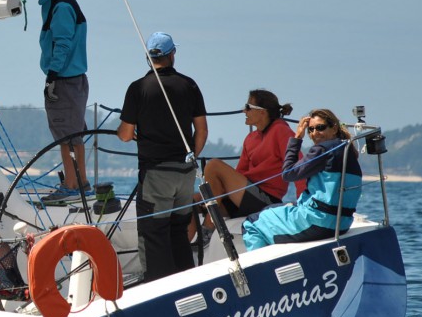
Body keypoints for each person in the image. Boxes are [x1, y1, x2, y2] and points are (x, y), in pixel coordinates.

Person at [117, 32, 207, 282]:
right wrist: (190, 158)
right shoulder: (189, 85)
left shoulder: (138, 88)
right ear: (172, 55)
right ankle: (187, 285)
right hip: (185, 173)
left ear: (148, 58)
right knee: (179, 231)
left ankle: (160, 289)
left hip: (156, 173)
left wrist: (125, 131)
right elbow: (202, 131)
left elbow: (125, 134)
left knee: (154, 235)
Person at [191, 89, 304, 240]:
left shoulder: (281, 131)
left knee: (213, 165)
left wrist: (304, 202)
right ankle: (186, 248)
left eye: (248, 107)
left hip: (266, 200)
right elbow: (240, 173)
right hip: (245, 197)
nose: (244, 110)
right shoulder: (250, 138)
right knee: (191, 202)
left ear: (262, 112)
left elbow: (298, 166)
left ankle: (209, 226)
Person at [243, 109, 362, 250]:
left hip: (318, 221)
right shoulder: (349, 151)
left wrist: (297, 138)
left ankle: (263, 263)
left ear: (334, 128)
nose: (315, 133)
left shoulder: (322, 150)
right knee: (269, 209)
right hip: (342, 223)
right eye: (311, 129)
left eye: (320, 127)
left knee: (251, 223)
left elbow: (288, 174)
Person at [24, 0, 90, 202]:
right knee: (73, 134)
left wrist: (52, 75)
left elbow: (62, 43)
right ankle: (80, 183)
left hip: (64, 80)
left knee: (66, 136)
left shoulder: (61, 6)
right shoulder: (60, 2)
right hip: (74, 80)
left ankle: (72, 186)